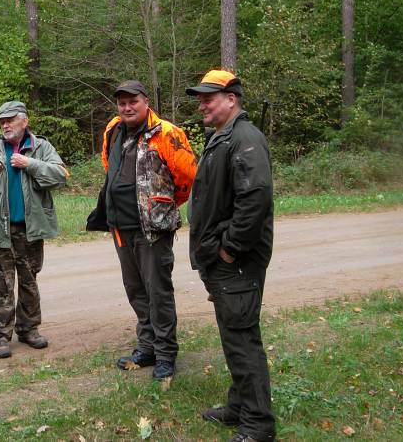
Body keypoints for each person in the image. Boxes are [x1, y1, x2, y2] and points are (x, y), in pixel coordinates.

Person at [186, 69, 276, 442]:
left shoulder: (245, 138)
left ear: (231, 99)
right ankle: (239, 406)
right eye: (201, 99)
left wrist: (229, 249)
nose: (202, 105)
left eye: (209, 98)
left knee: (241, 338)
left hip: (236, 262)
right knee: (233, 334)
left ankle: (258, 425)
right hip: (222, 259)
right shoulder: (224, 137)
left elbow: (254, 200)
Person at [100, 80, 196, 381]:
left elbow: (188, 177)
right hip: (121, 227)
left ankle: (166, 354)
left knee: (158, 292)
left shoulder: (166, 133)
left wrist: (162, 206)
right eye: (122, 103)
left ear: (146, 102)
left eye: (133, 102)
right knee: (136, 290)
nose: (127, 107)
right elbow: (108, 166)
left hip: (152, 229)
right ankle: (148, 347)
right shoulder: (113, 130)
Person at [0, 101, 68, 359]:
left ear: (25, 121)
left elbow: (60, 175)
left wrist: (30, 164)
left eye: (10, 119)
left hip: (30, 229)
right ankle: (0, 336)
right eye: (2, 121)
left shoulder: (41, 147)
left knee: (29, 282)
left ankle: (28, 329)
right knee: (1, 285)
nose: (5, 125)